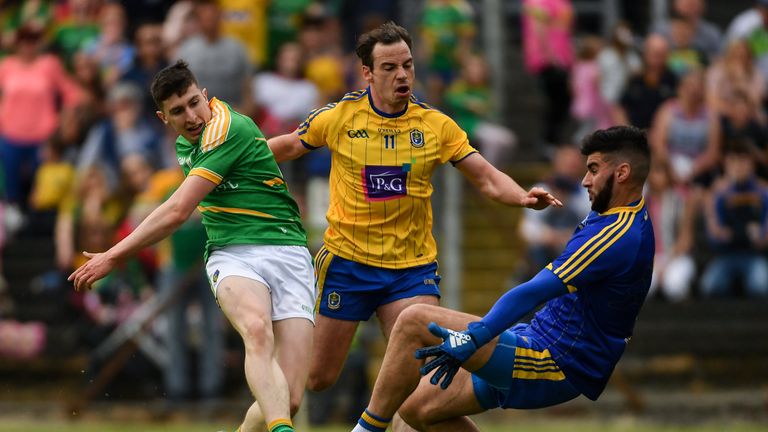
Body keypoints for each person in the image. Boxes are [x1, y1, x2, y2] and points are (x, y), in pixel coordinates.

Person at [267, 21, 561, 397]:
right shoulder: (339, 117)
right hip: (347, 263)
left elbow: (485, 176)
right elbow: (289, 146)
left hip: (410, 269)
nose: (402, 74)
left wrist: (521, 195)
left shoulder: (436, 126)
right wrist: (227, 159)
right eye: (389, 68)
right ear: (367, 73)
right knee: (317, 379)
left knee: (419, 376)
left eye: (407, 65)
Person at [350, 125, 655, 432]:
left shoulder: (617, 235)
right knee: (411, 411)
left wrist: (476, 336)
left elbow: (532, 292)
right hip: (538, 339)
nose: (585, 180)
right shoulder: (620, 215)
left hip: (555, 361)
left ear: (622, 173)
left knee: (412, 321)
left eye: (593, 169)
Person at [69, 60, 314, 432]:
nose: (191, 116)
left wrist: (112, 255)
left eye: (193, 103)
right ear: (162, 117)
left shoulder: (223, 129)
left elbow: (178, 210)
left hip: (289, 252)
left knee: (289, 398)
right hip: (233, 255)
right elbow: (258, 152)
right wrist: (279, 149)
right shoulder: (190, 143)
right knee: (257, 330)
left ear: (205, 96)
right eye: (178, 111)